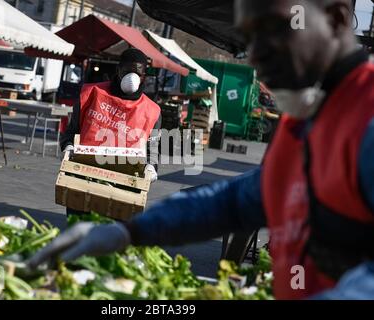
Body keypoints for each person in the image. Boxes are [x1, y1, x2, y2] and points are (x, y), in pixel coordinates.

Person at [30, 0, 374, 300]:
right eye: (247, 41)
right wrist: (129, 231)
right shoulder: (302, 121)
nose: (256, 57)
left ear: (336, 20)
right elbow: (239, 202)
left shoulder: (367, 116)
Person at [60, 48, 161, 182]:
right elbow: (70, 132)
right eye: (127, 71)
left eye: (138, 73)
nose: (132, 78)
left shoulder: (152, 111)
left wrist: (151, 166)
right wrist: (68, 146)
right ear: (118, 70)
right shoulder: (91, 93)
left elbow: (152, 151)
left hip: (124, 181)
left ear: (144, 76)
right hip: (83, 174)